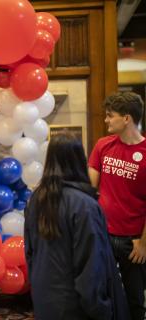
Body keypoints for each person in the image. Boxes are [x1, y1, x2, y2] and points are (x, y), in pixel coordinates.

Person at [24, 133, 129, 320]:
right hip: (77, 306)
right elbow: (91, 266)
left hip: (45, 299)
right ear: (79, 159)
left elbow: (30, 254)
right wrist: (102, 310)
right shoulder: (85, 205)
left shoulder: (36, 200)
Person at [88, 91, 146, 320]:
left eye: (110, 116)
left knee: (135, 300)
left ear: (127, 119)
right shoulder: (103, 145)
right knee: (101, 295)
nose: (106, 120)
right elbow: (89, 189)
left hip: (133, 242)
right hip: (103, 235)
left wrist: (143, 244)